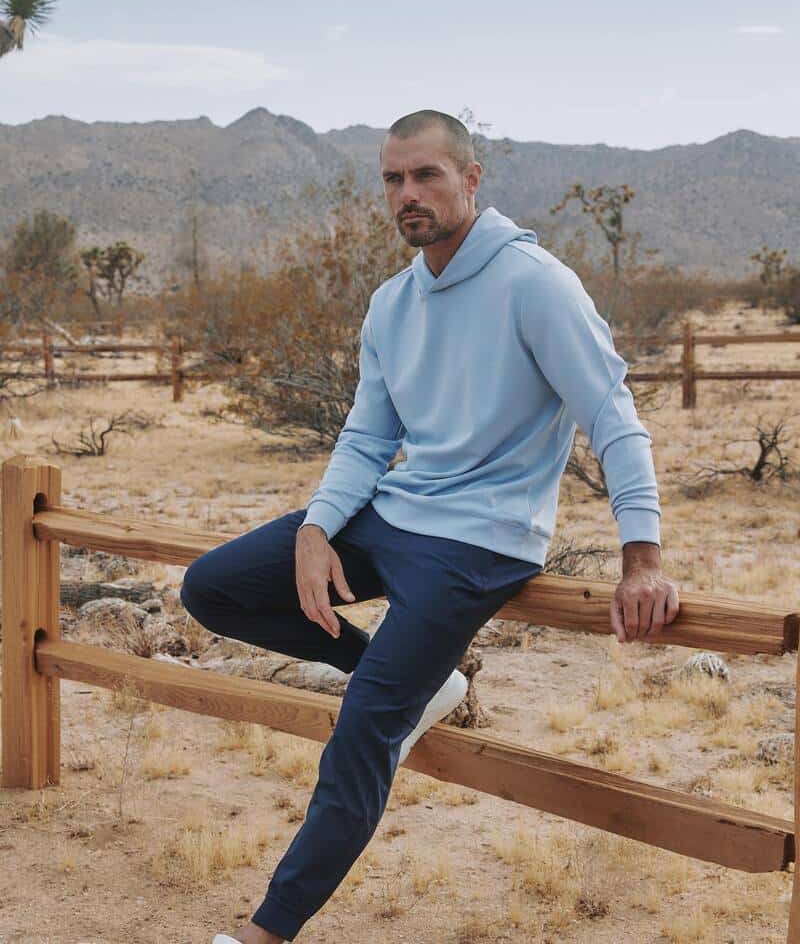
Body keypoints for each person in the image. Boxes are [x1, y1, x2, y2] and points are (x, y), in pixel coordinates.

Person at [182, 108, 681, 944]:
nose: (408, 193)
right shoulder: (392, 302)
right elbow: (369, 435)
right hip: (395, 513)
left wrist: (643, 556)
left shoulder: (536, 284)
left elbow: (613, 414)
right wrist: (316, 527)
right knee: (214, 588)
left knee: (365, 729)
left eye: (426, 175)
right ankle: (407, 678)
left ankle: (267, 933)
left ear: (470, 179)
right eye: (393, 178)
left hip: (482, 542)